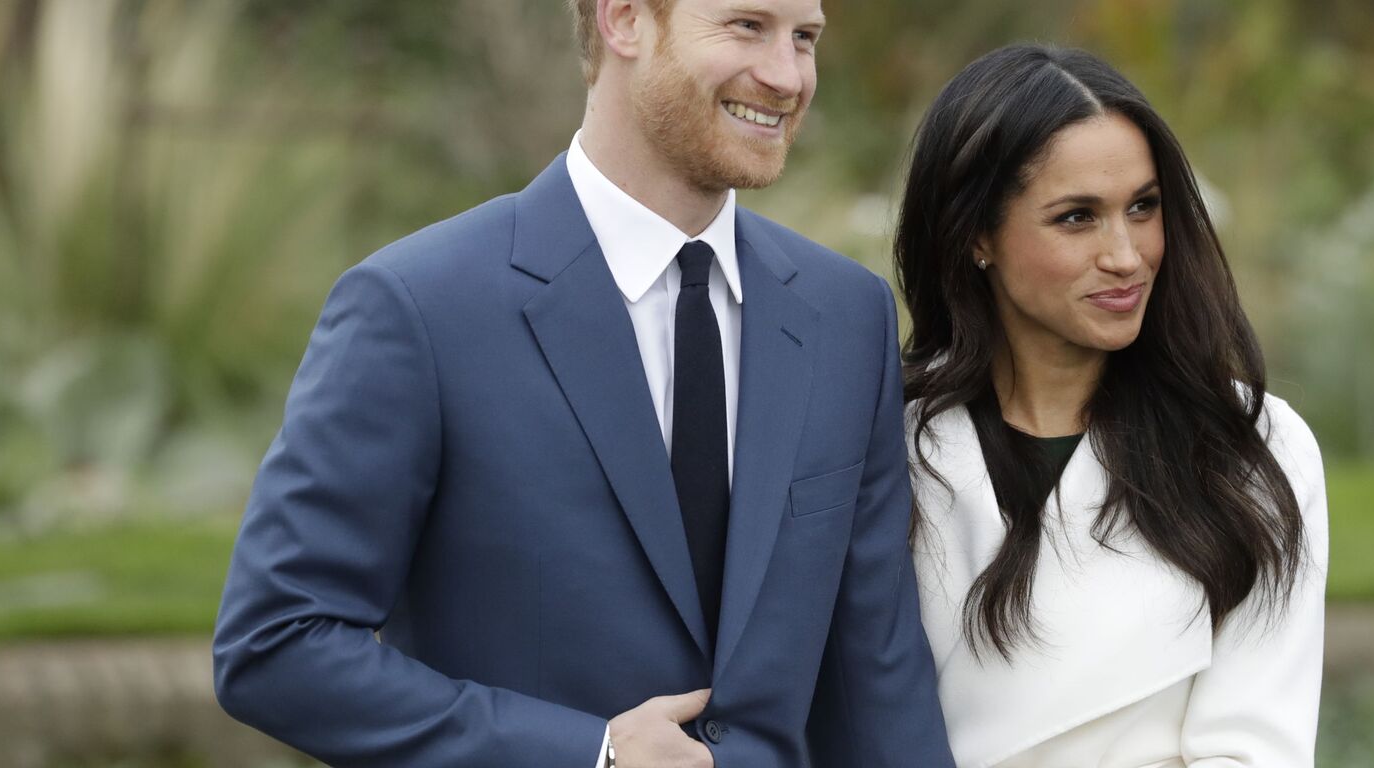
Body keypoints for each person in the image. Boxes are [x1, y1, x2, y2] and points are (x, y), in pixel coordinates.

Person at [211, 1, 954, 766]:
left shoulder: (846, 315)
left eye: (804, 38)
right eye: (746, 27)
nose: (786, 75)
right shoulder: (419, 307)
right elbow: (276, 644)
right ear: (625, 19)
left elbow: (878, 677)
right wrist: (588, 752)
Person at [894, 44, 1330, 768]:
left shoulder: (1253, 448)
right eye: (1077, 218)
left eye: (1143, 208)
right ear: (976, 236)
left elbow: (1255, 749)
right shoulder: (886, 441)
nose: (1126, 255)